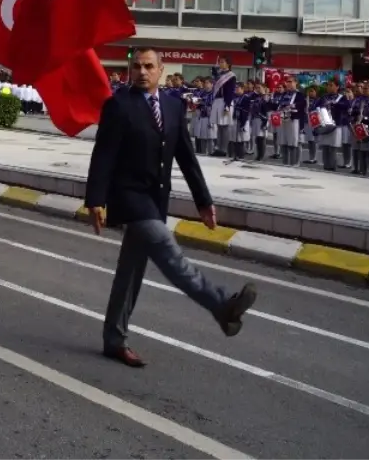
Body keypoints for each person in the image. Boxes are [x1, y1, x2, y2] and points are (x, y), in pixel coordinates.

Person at [85, 47, 259, 368]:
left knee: (130, 274)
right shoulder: (118, 105)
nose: (142, 72)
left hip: (156, 198)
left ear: (160, 70)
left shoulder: (173, 105)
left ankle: (114, 339)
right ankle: (221, 305)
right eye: (136, 66)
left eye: (148, 66)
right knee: (168, 251)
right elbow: (104, 154)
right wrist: (95, 199)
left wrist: (203, 201)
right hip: (129, 197)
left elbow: (186, 156)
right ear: (129, 69)